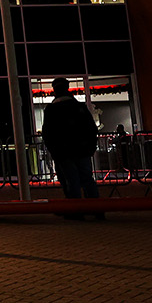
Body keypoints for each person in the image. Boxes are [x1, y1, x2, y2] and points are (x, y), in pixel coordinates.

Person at [42, 78, 102, 218]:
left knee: (71, 180)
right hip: (81, 150)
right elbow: (91, 129)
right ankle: (97, 209)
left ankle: (76, 211)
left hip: (63, 152)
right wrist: (90, 147)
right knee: (86, 178)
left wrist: (55, 151)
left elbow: (48, 134)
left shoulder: (52, 110)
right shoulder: (79, 107)